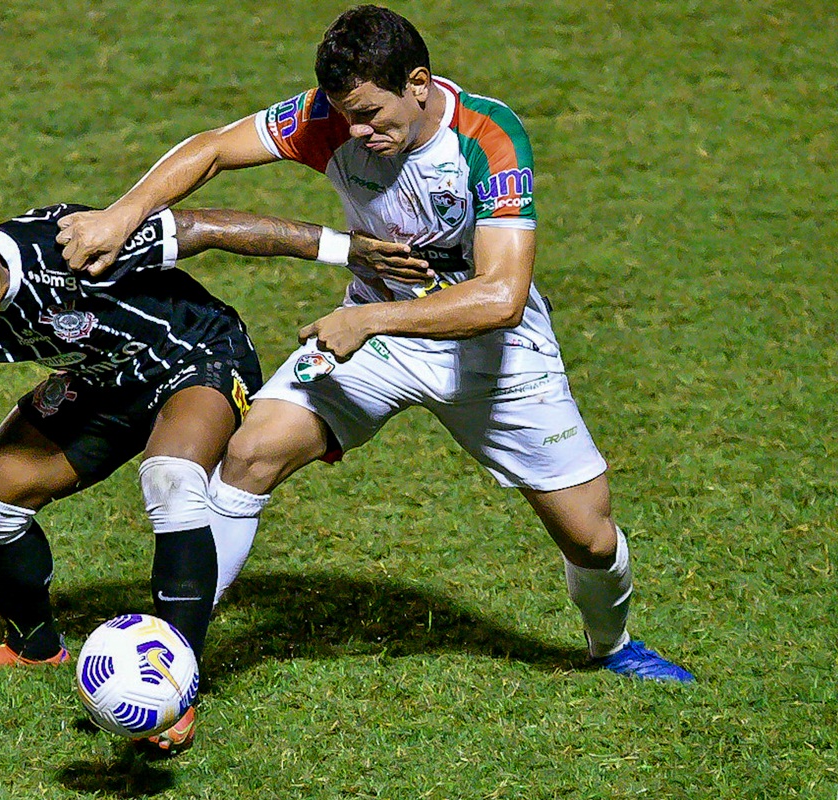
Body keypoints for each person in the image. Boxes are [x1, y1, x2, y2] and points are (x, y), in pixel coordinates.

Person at [56, 5, 694, 682]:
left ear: (418, 83)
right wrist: (121, 214)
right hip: (374, 339)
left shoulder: (487, 136)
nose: (355, 131)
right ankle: (168, 657)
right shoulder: (332, 117)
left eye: (369, 115)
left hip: (492, 356)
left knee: (590, 539)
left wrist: (369, 322)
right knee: (249, 454)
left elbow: (501, 298)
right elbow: (213, 147)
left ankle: (612, 646)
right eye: (344, 115)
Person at [0, 200, 415, 754]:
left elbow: (203, 227)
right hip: (102, 383)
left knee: (171, 478)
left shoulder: (68, 247)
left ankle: (176, 689)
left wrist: (343, 248)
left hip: (195, 354)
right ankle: (34, 647)